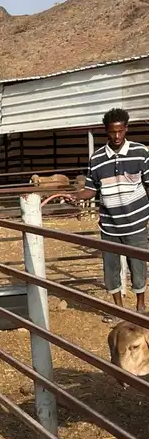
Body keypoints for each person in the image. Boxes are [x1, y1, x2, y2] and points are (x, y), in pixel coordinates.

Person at [85, 108, 149, 313]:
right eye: (112, 132)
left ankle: (140, 306)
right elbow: (90, 189)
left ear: (126, 129)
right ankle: (118, 310)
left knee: (138, 265)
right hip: (110, 225)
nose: (117, 136)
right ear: (106, 131)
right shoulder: (96, 159)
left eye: (120, 131)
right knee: (111, 268)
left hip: (136, 222)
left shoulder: (140, 153)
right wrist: (74, 196)